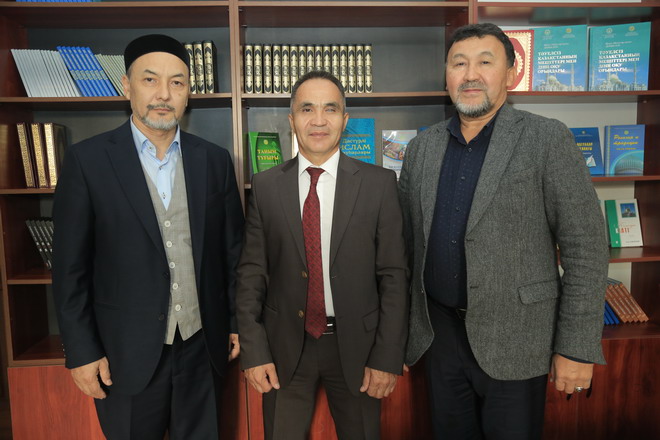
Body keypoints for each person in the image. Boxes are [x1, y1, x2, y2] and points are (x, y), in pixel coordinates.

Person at [399, 23, 609, 440]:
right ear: (447, 76)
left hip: (517, 338)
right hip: (439, 337)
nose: (470, 75)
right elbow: (405, 246)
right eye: (459, 64)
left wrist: (576, 347)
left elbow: (586, 247)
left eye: (485, 62)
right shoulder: (422, 148)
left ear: (511, 74)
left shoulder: (546, 138)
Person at [52, 34, 244, 439]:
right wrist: (81, 352)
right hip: (124, 354)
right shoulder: (87, 161)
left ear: (188, 92)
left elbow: (232, 253)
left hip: (203, 347)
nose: (164, 94)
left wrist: (234, 322)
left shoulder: (214, 160)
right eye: (150, 80)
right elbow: (69, 270)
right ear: (127, 86)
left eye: (177, 82)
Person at [236, 70, 409, 440]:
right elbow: (251, 275)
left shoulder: (378, 185)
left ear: (344, 120)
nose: (318, 120)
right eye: (307, 109)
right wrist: (254, 351)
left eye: (330, 109)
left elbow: (394, 276)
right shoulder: (266, 186)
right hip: (283, 349)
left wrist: (387, 356)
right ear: (292, 120)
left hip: (360, 348)